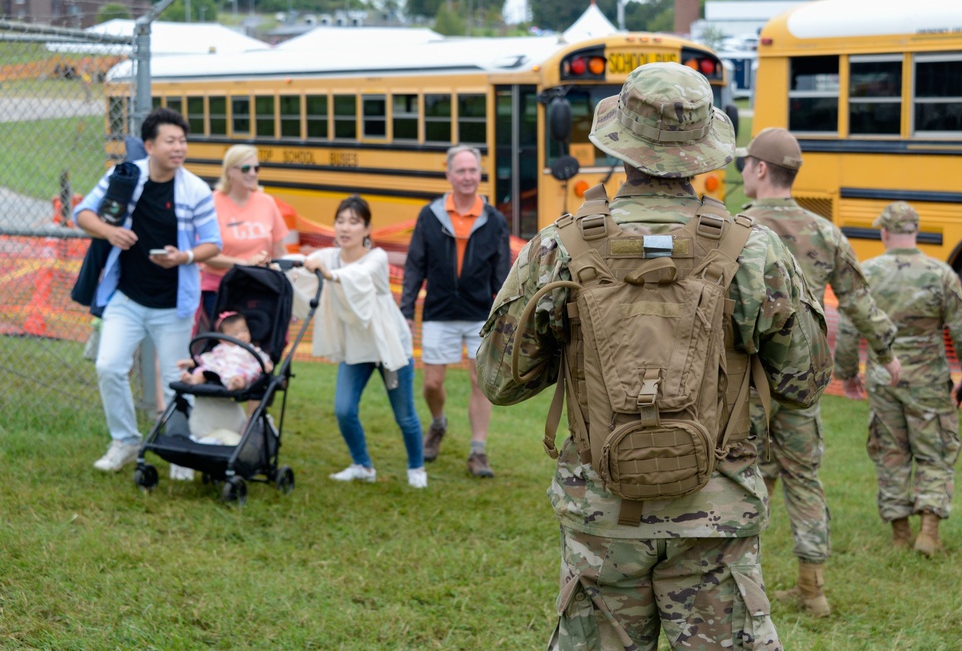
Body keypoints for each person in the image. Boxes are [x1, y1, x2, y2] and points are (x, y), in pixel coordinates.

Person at [477, 62, 832, 650]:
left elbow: (499, 380)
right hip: (715, 516)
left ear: (623, 148)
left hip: (603, 516)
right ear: (704, 151)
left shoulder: (558, 246)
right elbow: (805, 381)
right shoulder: (755, 250)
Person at [737, 126, 902, 617]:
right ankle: (813, 589)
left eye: (746, 163)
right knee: (803, 478)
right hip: (800, 381)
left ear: (761, 169)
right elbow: (859, 301)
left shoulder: (738, 228)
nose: (744, 170)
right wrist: (887, 352)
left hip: (745, 382)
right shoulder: (825, 231)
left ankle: (747, 584)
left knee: (742, 478)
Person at [74, 107, 221, 472]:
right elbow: (83, 213)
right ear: (150, 145)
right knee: (109, 366)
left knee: (176, 381)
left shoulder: (196, 189)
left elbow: (213, 244)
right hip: (126, 297)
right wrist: (110, 232)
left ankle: (180, 451)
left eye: (183, 141)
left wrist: (184, 256)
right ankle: (124, 440)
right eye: (170, 141)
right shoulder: (123, 176)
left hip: (174, 303)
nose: (179, 148)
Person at [834, 201, 962, 557]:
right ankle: (928, 532)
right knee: (934, 452)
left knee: (891, 454)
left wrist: (849, 374)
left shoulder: (866, 273)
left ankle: (900, 534)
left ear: (884, 232)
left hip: (885, 379)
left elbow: (849, 331)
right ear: (915, 232)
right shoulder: (942, 273)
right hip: (930, 379)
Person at [292, 196, 427, 489]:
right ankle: (362, 465)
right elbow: (302, 267)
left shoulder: (375, 258)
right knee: (344, 409)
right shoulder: (329, 256)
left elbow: (359, 276)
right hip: (356, 347)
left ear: (367, 229)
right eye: (340, 221)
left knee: (404, 416)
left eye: (353, 222)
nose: (345, 228)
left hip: (389, 346)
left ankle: (416, 468)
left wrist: (329, 274)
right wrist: (274, 264)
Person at [400, 145, 511, 478]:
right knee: (432, 383)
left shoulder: (494, 220)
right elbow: (414, 265)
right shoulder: (430, 215)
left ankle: (478, 451)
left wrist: (503, 313)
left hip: (480, 314)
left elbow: (503, 274)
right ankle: (438, 424)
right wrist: (406, 308)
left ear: (480, 175)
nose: (467, 177)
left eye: (472, 171)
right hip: (438, 311)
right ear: (448, 175)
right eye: (460, 171)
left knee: (481, 382)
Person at [199, 144, 289, 322]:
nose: (253, 173)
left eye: (257, 168)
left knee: (261, 346)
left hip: (261, 289)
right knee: (227, 347)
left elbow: (280, 251)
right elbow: (204, 254)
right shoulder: (211, 203)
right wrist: (245, 264)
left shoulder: (267, 202)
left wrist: (285, 280)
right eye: (246, 168)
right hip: (220, 290)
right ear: (230, 171)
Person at [177, 311, 273, 390]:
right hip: (217, 371)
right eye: (235, 334)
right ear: (223, 339)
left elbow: (262, 357)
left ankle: (235, 384)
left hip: (238, 370)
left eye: (244, 330)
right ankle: (193, 380)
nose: (242, 335)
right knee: (204, 371)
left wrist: (266, 364)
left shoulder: (251, 349)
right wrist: (190, 363)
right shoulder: (221, 348)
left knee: (242, 377)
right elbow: (207, 357)